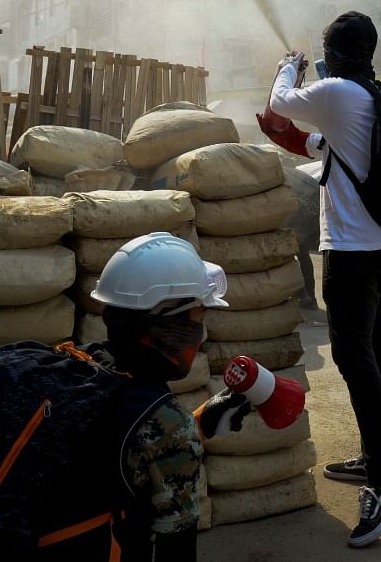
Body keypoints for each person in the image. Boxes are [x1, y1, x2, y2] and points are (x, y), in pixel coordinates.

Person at [265, 11, 381, 548]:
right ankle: (376, 459)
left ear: (335, 51)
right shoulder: (370, 98)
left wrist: (289, 65)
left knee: (354, 357)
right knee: (373, 351)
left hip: (352, 251)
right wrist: (288, 138)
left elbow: (281, 100)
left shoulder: (338, 92)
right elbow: (319, 150)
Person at [84, 232, 251, 561]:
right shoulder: (166, 425)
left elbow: (127, 452)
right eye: (198, 318)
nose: (199, 335)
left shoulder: (82, 365)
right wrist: (183, 433)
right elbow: (176, 550)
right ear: (166, 327)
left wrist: (199, 424)